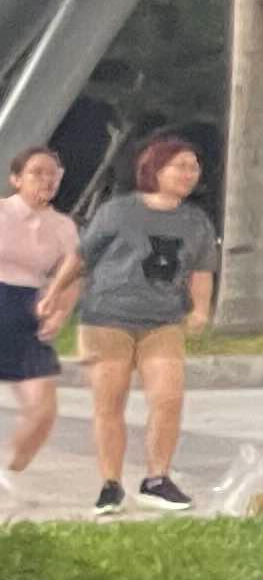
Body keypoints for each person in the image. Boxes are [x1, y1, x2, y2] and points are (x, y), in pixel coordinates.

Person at [48, 133, 222, 514]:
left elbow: (202, 270)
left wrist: (200, 310)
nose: (189, 173)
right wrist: (54, 292)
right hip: (107, 318)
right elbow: (81, 257)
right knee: (110, 404)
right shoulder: (118, 211)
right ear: (154, 169)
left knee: (168, 399)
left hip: (163, 322)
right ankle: (110, 485)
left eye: (194, 167)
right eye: (180, 166)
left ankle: (157, 480)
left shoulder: (196, 221)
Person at [2, 144, 71, 489]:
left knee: (43, 410)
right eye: (36, 173)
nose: (46, 180)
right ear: (16, 179)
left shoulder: (63, 226)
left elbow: (71, 276)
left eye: (52, 174)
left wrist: (59, 313)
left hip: (30, 311)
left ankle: (9, 470)